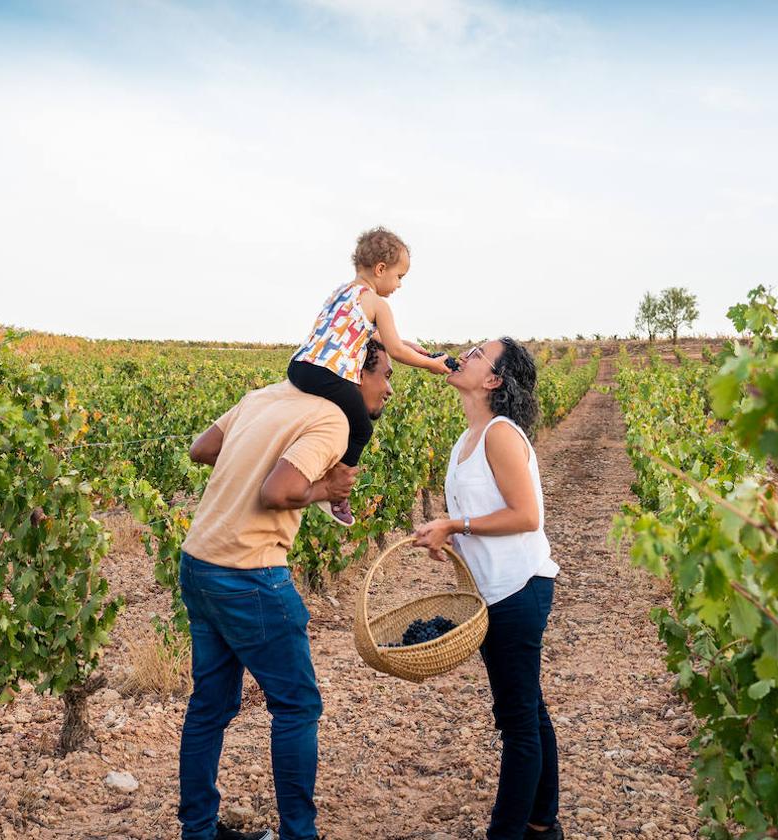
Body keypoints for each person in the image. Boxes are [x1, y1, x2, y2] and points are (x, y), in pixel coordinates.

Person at [178, 339, 394, 840]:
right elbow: (277, 493)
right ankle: (300, 833)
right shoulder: (332, 420)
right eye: (383, 374)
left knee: (210, 706)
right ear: (353, 373)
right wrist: (324, 490)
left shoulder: (264, 397)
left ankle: (198, 831)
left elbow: (202, 449)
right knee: (297, 706)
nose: (387, 388)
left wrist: (249, 464)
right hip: (250, 573)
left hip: (200, 562)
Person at [414, 338, 562, 840]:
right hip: (493, 593)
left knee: (517, 722)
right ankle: (544, 823)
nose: (464, 354)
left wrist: (456, 525)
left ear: (494, 380)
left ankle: (509, 832)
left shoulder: (500, 433)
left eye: (478, 353)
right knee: (526, 709)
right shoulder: (467, 439)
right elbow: (480, 517)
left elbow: (526, 515)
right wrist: (448, 535)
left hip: (519, 589)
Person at [288, 226, 453, 526]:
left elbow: (375, 336)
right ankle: (336, 491)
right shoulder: (378, 303)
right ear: (381, 269)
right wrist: (429, 365)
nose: (399, 284)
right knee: (362, 428)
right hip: (328, 373)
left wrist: (416, 347)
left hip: (299, 367)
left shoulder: (341, 293)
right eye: (399, 276)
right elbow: (396, 351)